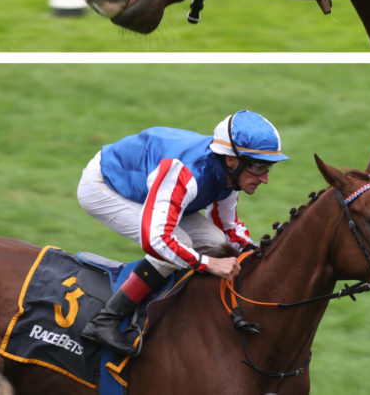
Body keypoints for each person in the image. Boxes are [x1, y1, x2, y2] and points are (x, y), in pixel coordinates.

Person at [76, 110, 290, 354]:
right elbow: (156, 240)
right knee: (177, 244)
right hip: (104, 187)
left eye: (268, 168)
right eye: (258, 167)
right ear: (231, 160)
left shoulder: (229, 176)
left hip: (153, 188)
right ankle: (105, 321)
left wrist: (257, 252)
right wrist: (207, 263)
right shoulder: (186, 173)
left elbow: (227, 227)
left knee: (215, 241)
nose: (264, 179)